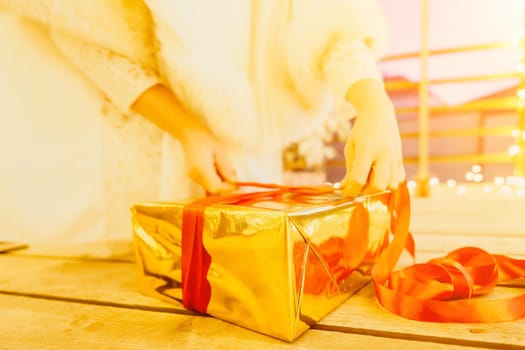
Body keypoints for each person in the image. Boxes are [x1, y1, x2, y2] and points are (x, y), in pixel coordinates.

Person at [0, 0, 404, 256]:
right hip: (132, 138)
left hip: (236, 156)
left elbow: (333, 25)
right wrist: (187, 129)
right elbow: (83, 29)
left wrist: (373, 105)